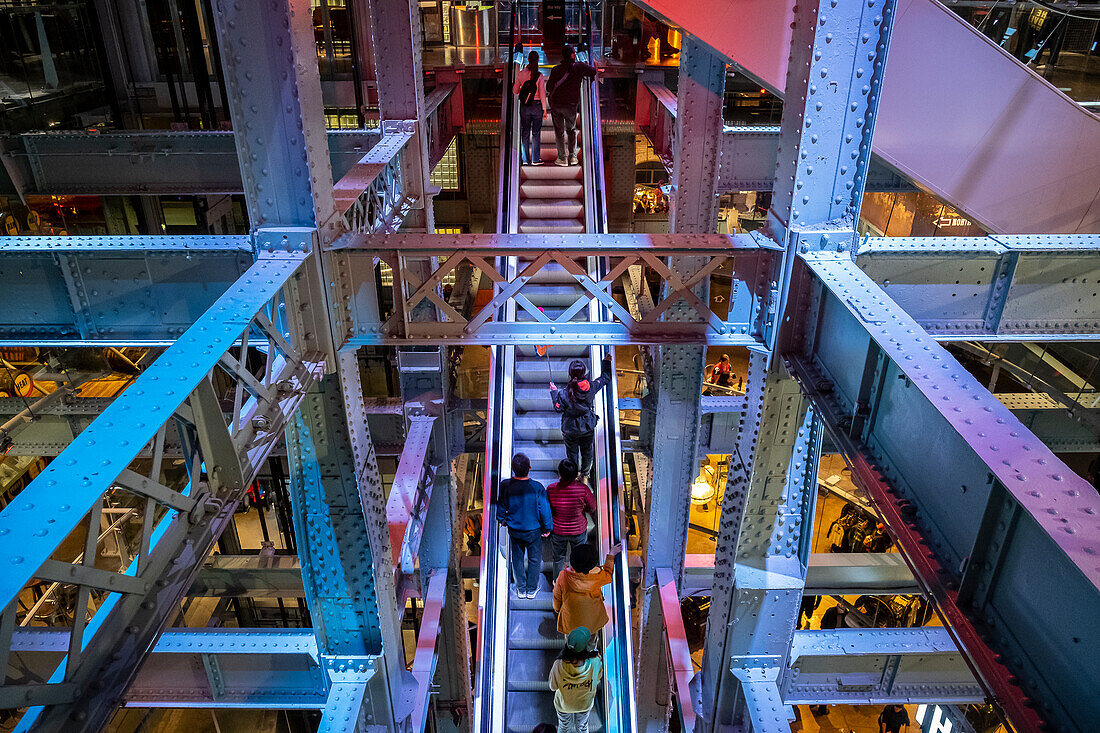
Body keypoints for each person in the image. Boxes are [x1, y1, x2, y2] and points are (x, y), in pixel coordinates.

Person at [498, 453, 553, 599]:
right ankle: (531, 589)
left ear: (513, 468)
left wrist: (501, 518)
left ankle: (520, 589)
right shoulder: (537, 487)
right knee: (534, 559)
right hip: (533, 530)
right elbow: (544, 509)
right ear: (530, 467)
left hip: (515, 530)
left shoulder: (505, 485)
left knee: (517, 558)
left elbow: (502, 505)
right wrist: (547, 528)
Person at [551, 353, 613, 480]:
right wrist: (606, 362)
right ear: (584, 373)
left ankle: (572, 475)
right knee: (587, 452)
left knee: (572, 453)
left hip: (570, 429)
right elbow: (606, 378)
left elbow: (558, 408)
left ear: (570, 373)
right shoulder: (591, 387)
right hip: (587, 426)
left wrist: (553, 393)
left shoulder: (563, 393)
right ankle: (585, 475)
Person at [552, 542, 622, 637]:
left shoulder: (563, 576)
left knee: (572, 641)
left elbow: (557, 597)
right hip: (592, 621)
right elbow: (608, 574)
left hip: (571, 622)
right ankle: (591, 650)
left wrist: (557, 609)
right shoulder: (597, 575)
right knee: (591, 638)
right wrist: (611, 555)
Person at [546, 44, 598, 166]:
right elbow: (593, 71)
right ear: (572, 55)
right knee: (571, 130)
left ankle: (562, 158)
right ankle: (573, 157)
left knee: (559, 132)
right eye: (574, 52)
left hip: (557, 105)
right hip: (571, 105)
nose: (575, 54)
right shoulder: (579, 67)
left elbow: (548, 87)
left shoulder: (556, 69)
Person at [548, 459, 597, 579]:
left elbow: (548, 509)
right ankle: (577, 581)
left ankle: (558, 583)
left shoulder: (551, 489)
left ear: (560, 473)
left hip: (558, 530)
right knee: (580, 557)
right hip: (578, 530)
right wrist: (582, 509)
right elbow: (593, 507)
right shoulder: (583, 489)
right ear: (576, 474)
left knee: (558, 558)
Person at [548, 627, 602, 733]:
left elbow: (552, 687)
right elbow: (597, 680)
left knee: (564, 727)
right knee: (582, 727)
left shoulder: (558, 665)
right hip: (584, 704)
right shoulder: (595, 662)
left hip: (564, 705)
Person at [513, 50, 549, 166]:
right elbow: (543, 94)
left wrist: (522, 91)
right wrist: (544, 109)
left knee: (525, 132)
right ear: (538, 60)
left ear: (528, 60)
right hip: (537, 106)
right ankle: (535, 159)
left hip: (525, 107)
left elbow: (514, 91)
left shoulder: (521, 74)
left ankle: (524, 159)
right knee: (536, 133)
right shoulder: (539, 76)